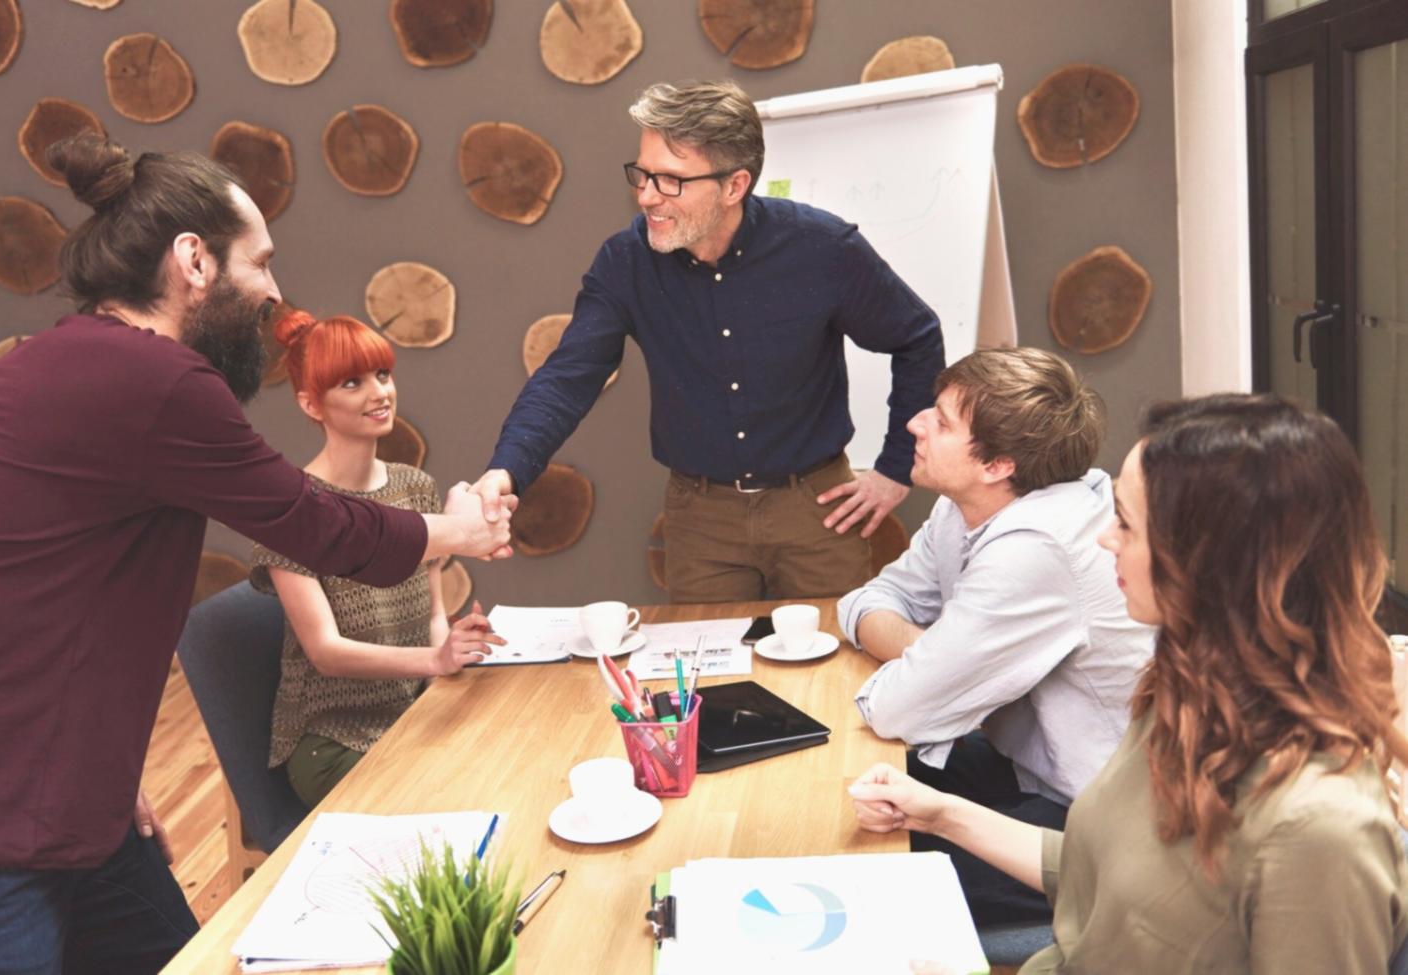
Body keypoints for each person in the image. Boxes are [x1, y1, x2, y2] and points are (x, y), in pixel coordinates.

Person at [0, 135, 514, 975]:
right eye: (261, 261)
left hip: (61, 800)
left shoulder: (63, 366)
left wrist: (86, 765)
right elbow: (317, 525)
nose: (275, 291)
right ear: (194, 261)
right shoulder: (158, 380)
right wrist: (459, 531)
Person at [850, 393, 1408, 972]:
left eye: (1126, 523)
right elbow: (1107, 873)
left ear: (1209, 563)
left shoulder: (1318, 828)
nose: (1104, 539)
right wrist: (937, 812)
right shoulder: (1180, 690)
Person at [472, 79, 945, 603]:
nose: (647, 195)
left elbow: (916, 336)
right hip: (701, 521)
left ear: (734, 185)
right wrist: (506, 471)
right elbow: (567, 378)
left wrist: (896, 468)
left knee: (836, 674)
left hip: (817, 511)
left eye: (671, 180)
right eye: (643, 174)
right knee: (707, 681)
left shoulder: (822, 249)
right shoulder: (625, 263)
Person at [838, 347, 1154, 928]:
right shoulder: (965, 506)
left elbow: (895, 707)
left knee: (860, 877)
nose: (915, 423)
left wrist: (945, 665)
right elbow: (864, 602)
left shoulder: (1038, 544)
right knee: (844, 791)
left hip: (1104, 821)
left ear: (996, 465)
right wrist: (945, 657)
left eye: (941, 419)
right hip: (1029, 765)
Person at [252, 311, 505, 807]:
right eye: (353, 382)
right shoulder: (293, 512)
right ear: (310, 403)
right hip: (336, 743)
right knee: (465, 800)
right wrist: (434, 659)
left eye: (383, 375)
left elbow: (433, 615)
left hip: (415, 715)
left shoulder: (414, 487)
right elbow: (325, 652)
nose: (379, 393)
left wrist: (448, 654)